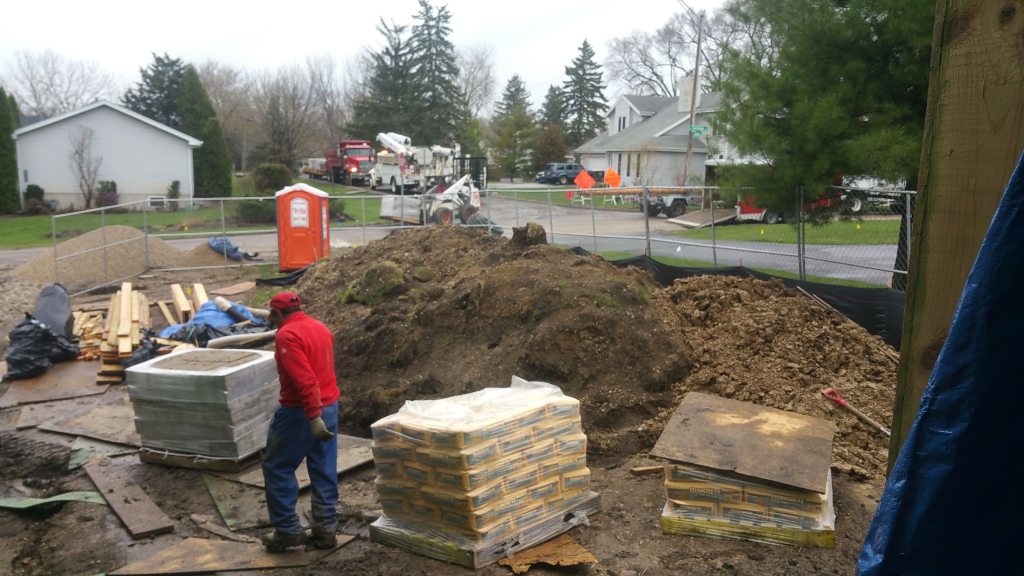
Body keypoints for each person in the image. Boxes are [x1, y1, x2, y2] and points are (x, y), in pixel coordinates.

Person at [261, 292, 340, 552]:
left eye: (272, 315)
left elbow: (305, 379)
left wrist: (313, 416)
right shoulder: (320, 327)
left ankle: (288, 531)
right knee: (324, 468)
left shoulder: (287, 336)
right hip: (330, 407)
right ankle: (326, 530)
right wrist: (321, 413)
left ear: (276, 313)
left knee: (277, 466)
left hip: (301, 413)